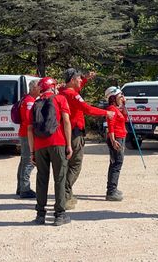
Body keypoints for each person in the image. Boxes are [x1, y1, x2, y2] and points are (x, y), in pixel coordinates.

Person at [59, 68, 114, 210]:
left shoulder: (63, 92)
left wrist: (85, 79)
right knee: (75, 165)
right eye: (78, 79)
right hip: (75, 134)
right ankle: (64, 194)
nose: (80, 81)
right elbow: (87, 109)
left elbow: (77, 87)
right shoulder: (72, 95)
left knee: (68, 165)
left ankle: (66, 193)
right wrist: (106, 113)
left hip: (66, 133)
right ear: (72, 80)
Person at [28, 77, 73, 226]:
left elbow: (30, 129)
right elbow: (66, 121)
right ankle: (59, 215)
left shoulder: (35, 104)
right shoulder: (60, 99)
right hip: (58, 142)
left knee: (42, 178)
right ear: (52, 87)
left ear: (41, 89)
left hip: (40, 145)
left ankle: (40, 214)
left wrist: (32, 152)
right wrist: (68, 144)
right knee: (59, 177)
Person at [16, 79, 40, 199]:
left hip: (24, 133)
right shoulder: (30, 102)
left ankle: (21, 187)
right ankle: (24, 189)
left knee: (24, 161)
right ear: (33, 88)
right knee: (28, 162)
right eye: (39, 87)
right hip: (27, 134)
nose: (41, 89)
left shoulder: (26, 99)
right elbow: (29, 120)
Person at [104, 86, 128, 201]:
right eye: (120, 96)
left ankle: (113, 188)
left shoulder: (117, 108)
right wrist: (113, 140)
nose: (122, 97)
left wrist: (124, 105)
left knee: (116, 163)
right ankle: (111, 191)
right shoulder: (112, 109)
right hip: (116, 138)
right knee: (116, 163)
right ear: (113, 97)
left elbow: (125, 118)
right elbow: (111, 126)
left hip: (120, 137)